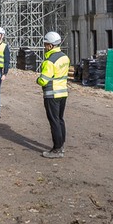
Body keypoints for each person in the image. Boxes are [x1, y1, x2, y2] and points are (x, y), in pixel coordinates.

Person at [37, 31, 69, 159]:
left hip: (52, 94)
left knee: (54, 121)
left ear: (50, 45)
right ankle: (61, 146)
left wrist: (38, 80)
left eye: (46, 44)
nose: (45, 46)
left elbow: (43, 80)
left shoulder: (49, 61)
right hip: (63, 92)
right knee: (60, 120)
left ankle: (56, 149)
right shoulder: (64, 57)